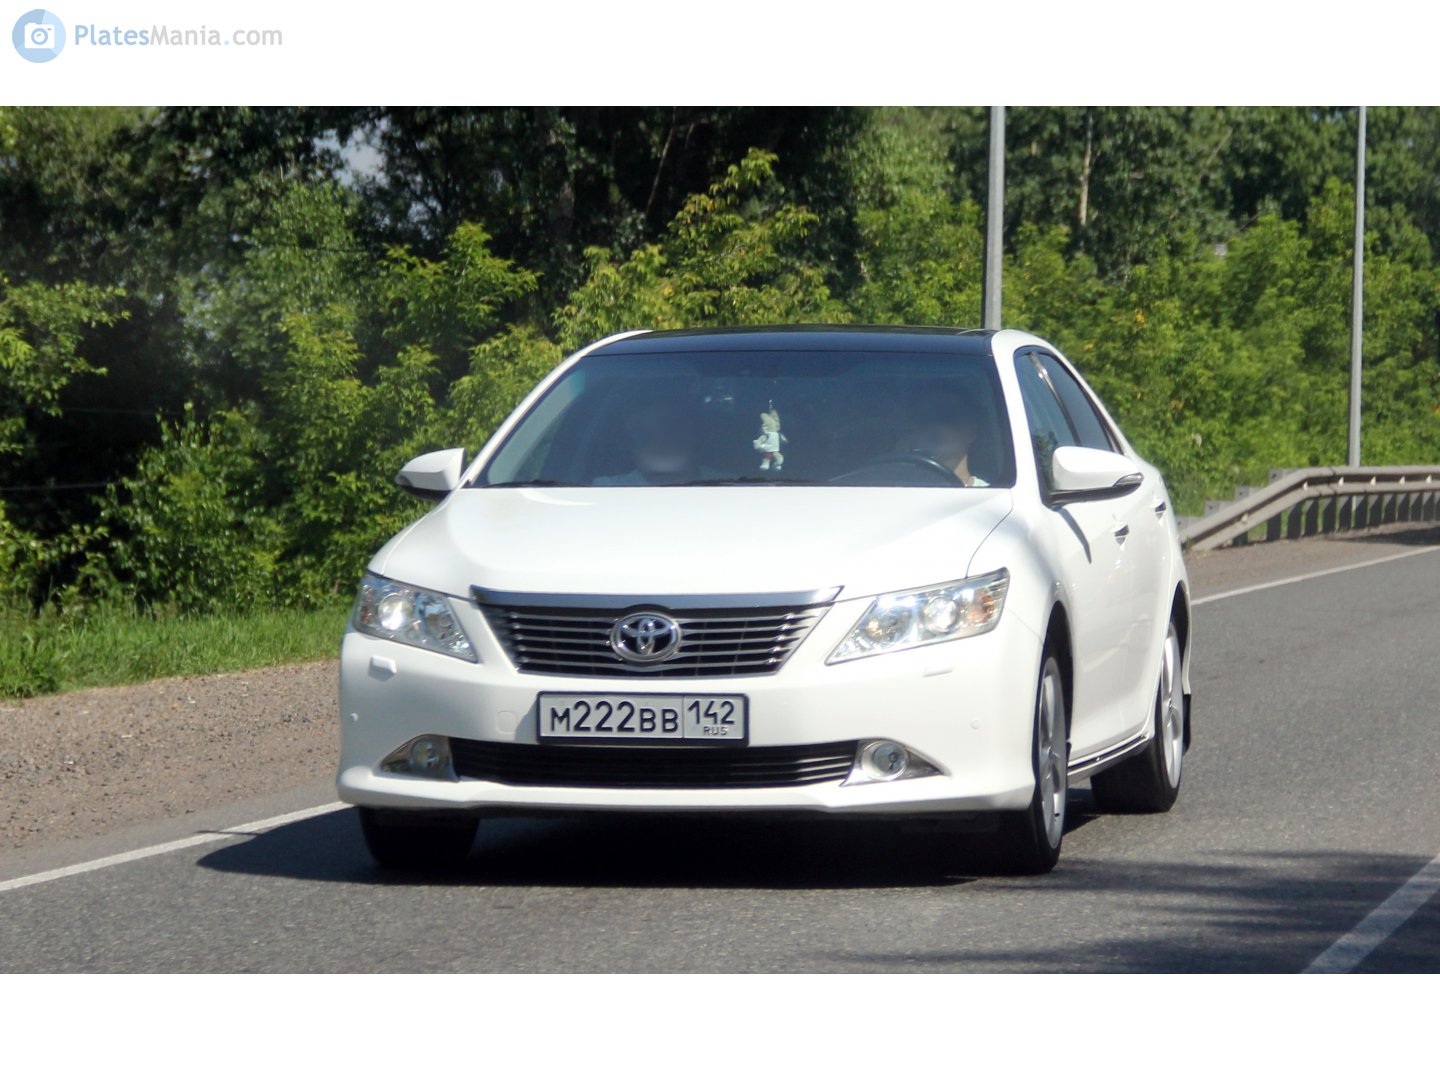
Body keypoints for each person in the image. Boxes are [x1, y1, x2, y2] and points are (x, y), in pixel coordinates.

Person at [900, 395, 990, 487]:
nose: (933, 425)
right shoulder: (895, 489)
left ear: (971, 432)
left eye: (946, 417)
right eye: (922, 418)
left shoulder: (992, 494)